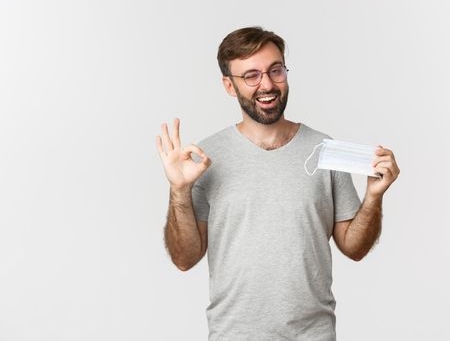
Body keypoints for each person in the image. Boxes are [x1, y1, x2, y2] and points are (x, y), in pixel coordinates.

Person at [155, 26, 400, 341]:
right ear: (229, 85)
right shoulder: (205, 158)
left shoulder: (323, 150)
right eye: (251, 76)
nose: (267, 85)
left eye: (276, 70)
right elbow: (184, 259)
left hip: (313, 335)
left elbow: (353, 247)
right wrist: (179, 191)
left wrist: (374, 197)